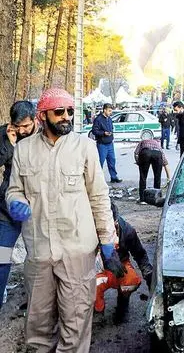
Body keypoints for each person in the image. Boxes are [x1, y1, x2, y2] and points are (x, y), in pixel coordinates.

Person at [7, 88, 122, 352]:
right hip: (39, 253)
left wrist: (107, 240)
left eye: (70, 111)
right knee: (37, 328)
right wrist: (16, 202)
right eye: (59, 112)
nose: (66, 116)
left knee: (76, 323)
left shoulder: (85, 147)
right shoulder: (24, 150)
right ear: (43, 115)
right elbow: (14, 189)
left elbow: (99, 197)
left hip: (77, 252)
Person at [0, 101, 38, 309]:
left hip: (37, 210)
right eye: (18, 126)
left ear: (34, 119)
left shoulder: (44, 137)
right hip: (8, 209)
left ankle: (36, 303)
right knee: (1, 256)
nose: (22, 130)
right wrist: (10, 144)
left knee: (38, 258)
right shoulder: (5, 134)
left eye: (26, 126)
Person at [95, 200, 153, 323]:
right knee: (90, 286)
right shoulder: (89, 232)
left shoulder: (128, 231)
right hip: (97, 269)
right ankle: (97, 310)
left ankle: (123, 305)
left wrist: (148, 273)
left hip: (120, 267)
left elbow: (140, 254)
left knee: (130, 281)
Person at [92, 103, 122, 183]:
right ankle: (98, 179)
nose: (110, 112)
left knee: (112, 160)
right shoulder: (98, 119)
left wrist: (111, 134)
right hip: (102, 144)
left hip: (110, 143)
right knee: (100, 162)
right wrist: (103, 133)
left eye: (111, 111)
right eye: (109, 111)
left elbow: (111, 127)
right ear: (104, 110)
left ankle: (113, 176)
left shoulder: (109, 119)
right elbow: (94, 131)